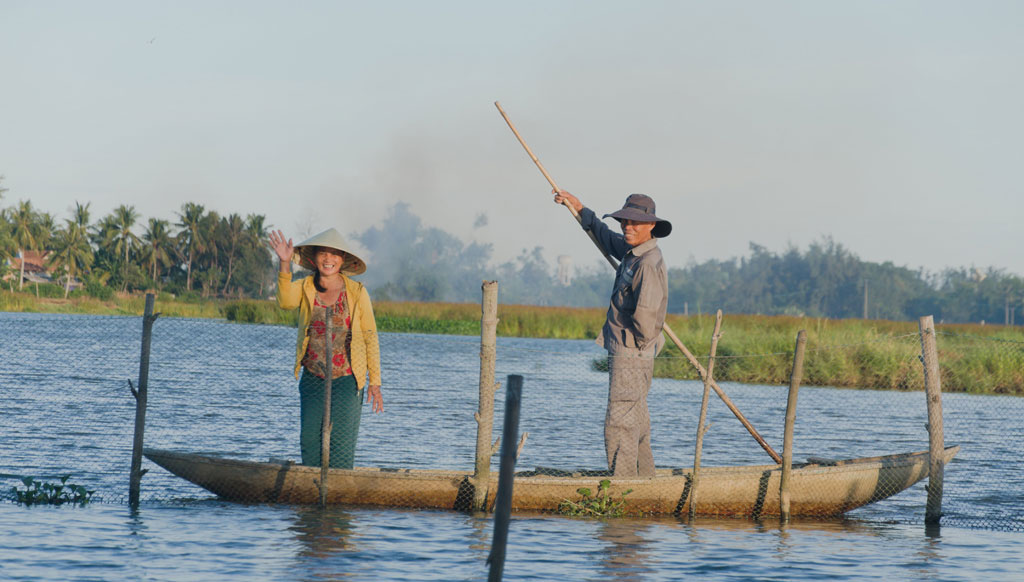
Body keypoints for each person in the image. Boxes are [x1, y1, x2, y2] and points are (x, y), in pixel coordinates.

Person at [553, 190, 671, 477]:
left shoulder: (647, 263)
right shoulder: (633, 253)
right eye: (624, 222)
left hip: (631, 352)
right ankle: (643, 480)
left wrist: (636, 348)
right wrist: (580, 209)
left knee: (620, 421)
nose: (627, 227)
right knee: (635, 420)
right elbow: (605, 238)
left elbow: (645, 316)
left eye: (634, 223)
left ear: (650, 226)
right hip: (633, 351)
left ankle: (623, 484)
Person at [269, 227, 383, 469]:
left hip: (347, 378)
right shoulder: (306, 287)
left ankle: (337, 500)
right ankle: (311, 498)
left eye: (334, 255)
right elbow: (285, 301)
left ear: (342, 261)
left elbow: (371, 336)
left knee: (340, 445)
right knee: (310, 441)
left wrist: (375, 382)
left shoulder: (357, 292)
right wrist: (284, 263)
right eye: (323, 253)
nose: (328, 259)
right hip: (313, 376)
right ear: (313, 258)